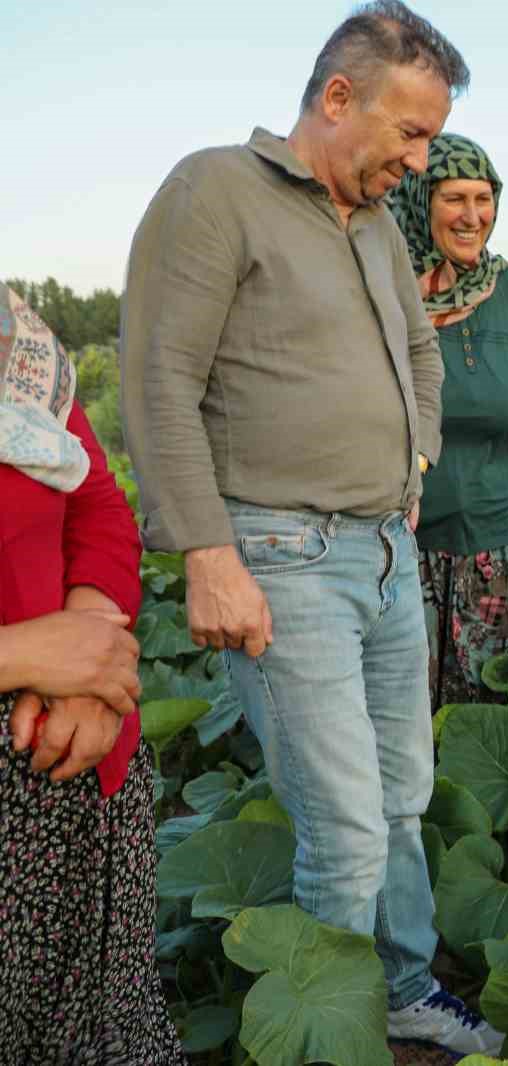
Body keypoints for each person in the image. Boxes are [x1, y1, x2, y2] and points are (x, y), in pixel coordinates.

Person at [119, 3, 502, 1054]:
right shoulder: (215, 192)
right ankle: (327, 1038)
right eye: (411, 134)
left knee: (402, 796)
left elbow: (421, 354)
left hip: (383, 550)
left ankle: (406, 985)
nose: (420, 162)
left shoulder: (374, 225)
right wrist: (207, 552)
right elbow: (158, 381)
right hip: (279, 555)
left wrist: (414, 454)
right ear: (339, 98)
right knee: (338, 818)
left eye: (432, 138)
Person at [0, 284, 185, 1063]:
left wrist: (89, 643)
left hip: (75, 766)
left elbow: (100, 506)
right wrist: (23, 656)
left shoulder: (22, 344)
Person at [386, 132, 508, 708]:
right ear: (419, 200)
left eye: (483, 198)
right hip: (407, 548)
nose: (472, 216)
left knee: (491, 713)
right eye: (453, 198)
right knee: (408, 715)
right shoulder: (389, 293)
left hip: (501, 550)